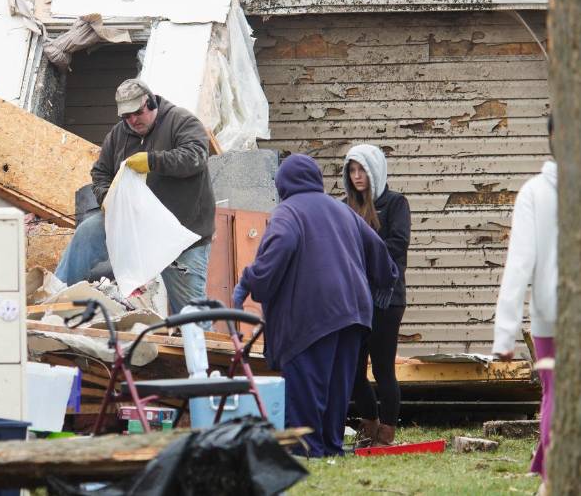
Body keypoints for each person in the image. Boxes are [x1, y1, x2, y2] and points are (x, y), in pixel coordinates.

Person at [232, 154, 398, 457]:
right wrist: (385, 281)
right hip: (353, 314)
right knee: (337, 388)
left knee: (308, 387)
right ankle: (331, 446)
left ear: (282, 184)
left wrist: (250, 282)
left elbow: (274, 255)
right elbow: (377, 248)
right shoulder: (342, 210)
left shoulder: (287, 212)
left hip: (310, 316)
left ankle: (307, 449)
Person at [55, 78, 216, 314]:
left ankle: (200, 347)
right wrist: (106, 197)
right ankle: (56, 298)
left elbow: (196, 157)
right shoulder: (119, 134)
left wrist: (153, 161)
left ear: (150, 102)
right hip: (133, 224)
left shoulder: (181, 121)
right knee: (88, 232)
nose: (132, 120)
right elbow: (100, 172)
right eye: (126, 116)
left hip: (180, 234)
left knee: (192, 314)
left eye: (137, 113)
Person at [492, 115, 556, 484]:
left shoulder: (535, 192)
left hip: (551, 314)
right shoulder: (536, 193)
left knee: (555, 393)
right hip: (566, 315)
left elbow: (518, 266)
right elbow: (519, 265)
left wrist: (505, 336)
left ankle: (551, 477)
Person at [343, 144, 412, 448]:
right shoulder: (345, 206)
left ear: (375, 170)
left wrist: (365, 255)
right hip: (354, 298)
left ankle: (386, 433)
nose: (358, 176)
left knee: (383, 368)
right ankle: (368, 424)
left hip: (386, 298)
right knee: (353, 369)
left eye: (362, 170)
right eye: (352, 170)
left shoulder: (396, 203)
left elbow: (398, 245)